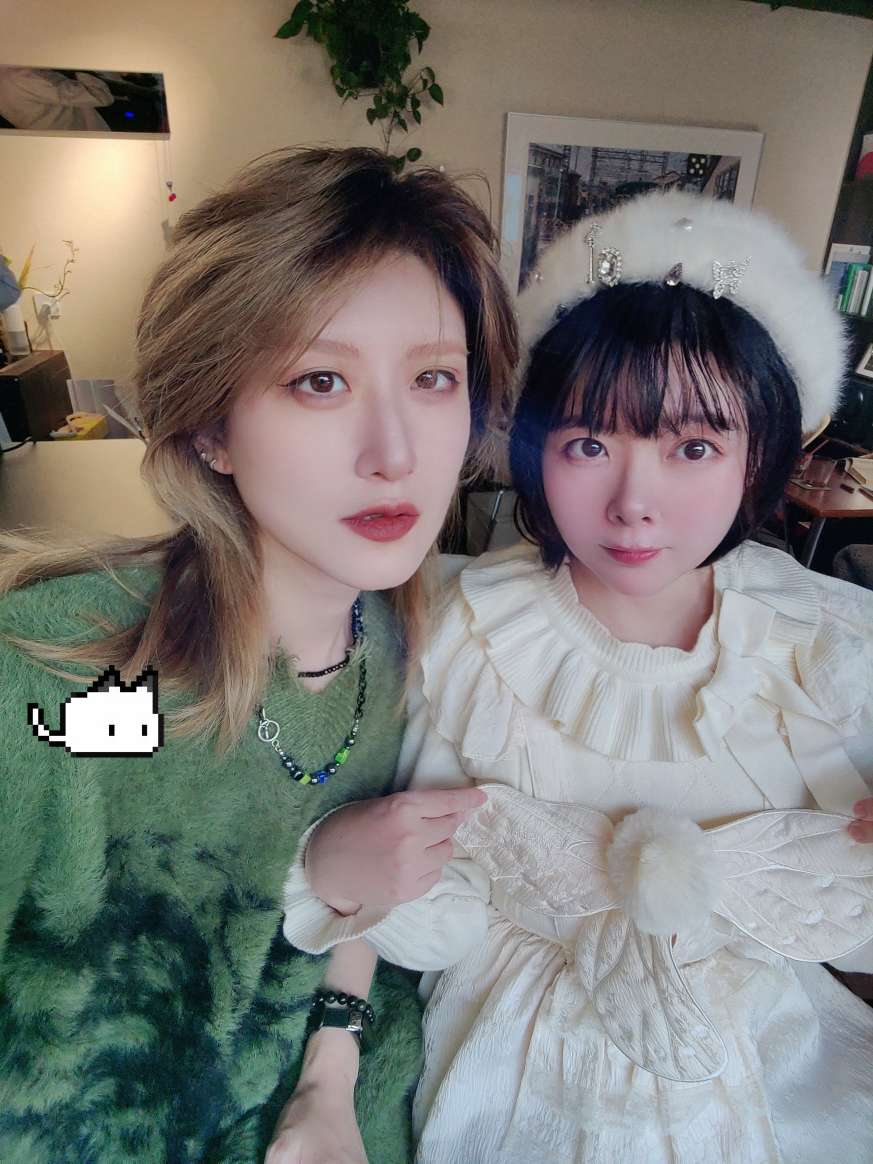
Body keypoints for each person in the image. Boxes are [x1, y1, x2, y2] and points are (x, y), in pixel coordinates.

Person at [284, 190, 873, 1163]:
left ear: (758, 455)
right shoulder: (462, 630)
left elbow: (849, 932)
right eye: (589, 444)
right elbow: (411, 890)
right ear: (535, 447)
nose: (635, 503)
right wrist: (328, 1074)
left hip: (773, 1084)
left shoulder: (834, 644)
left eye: (693, 447)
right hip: (513, 1087)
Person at [0, 146, 515, 1163]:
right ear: (211, 430)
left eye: (433, 378)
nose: (396, 453)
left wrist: (331, 1072)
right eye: (320, 381)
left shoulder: (429, 645)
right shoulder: (51, 672)